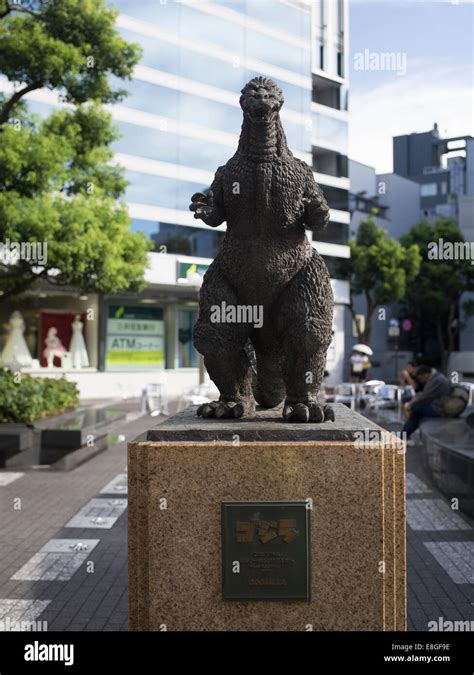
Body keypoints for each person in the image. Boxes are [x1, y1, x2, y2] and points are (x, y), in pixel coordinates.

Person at [402, 365, 451, 439]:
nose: (421, 381)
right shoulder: (436, 377)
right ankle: (404, 436)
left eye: (421, 378)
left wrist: (410, 404)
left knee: (415, 409)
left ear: (426, 374)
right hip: (437, 406)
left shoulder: (436, 380)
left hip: (439, 409)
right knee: (416, 414)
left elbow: (424, 396)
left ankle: (404, 436)